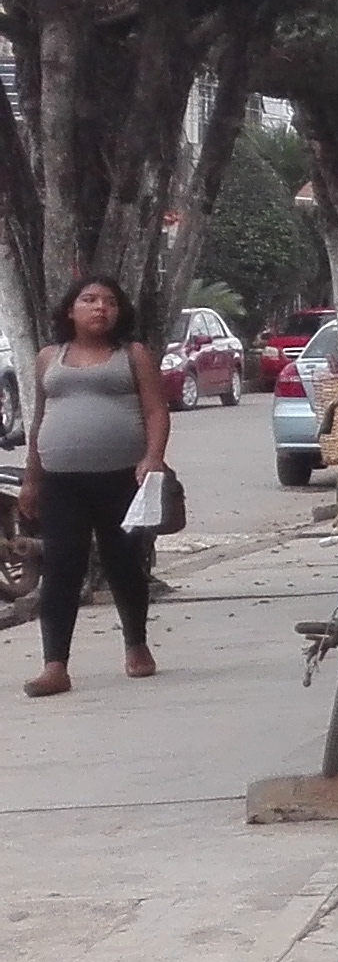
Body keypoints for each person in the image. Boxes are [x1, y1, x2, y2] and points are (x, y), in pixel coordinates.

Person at [23, 275, 173, 697]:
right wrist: (32, 479)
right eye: (88, 300)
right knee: (60, 568)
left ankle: (136, 645)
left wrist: (152, 458)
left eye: (109, 301)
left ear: (120, 311)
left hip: (122, 477)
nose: (99, 308)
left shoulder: (134, 355)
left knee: (123, 562)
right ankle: (55, 665)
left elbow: (156, 412)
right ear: (71, 310)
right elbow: (38, 421)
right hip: (60, 481)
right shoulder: (48, 357)